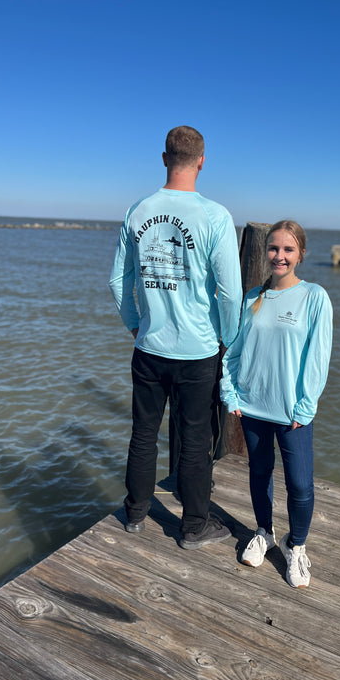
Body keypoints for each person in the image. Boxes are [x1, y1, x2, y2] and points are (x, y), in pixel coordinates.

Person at [109, 126, 242, 550]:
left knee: (143, 434)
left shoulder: (137, 210)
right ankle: (193, 526)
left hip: (148, 348)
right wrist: (228, 336)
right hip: (198, 351)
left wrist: (135, 322)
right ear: (202, 161)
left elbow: (118, 281)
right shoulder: (216, 216)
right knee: (195, 439)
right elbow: (231, 292)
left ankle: (134, 515)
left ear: (164, 158)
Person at [220, 220, 332, 587]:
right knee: (259, 472)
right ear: (265, 251)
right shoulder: (253, 296)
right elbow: (234, 353)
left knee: (300, 485)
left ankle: (295, 545)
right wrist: (230, 393)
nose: (279, 256)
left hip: (292, 413)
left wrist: (305, 406)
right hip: (251, 406)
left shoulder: (315, 297)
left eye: (287, 249)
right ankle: (264, 532)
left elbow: (318, 357)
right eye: (273, 248)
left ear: (300, 253)